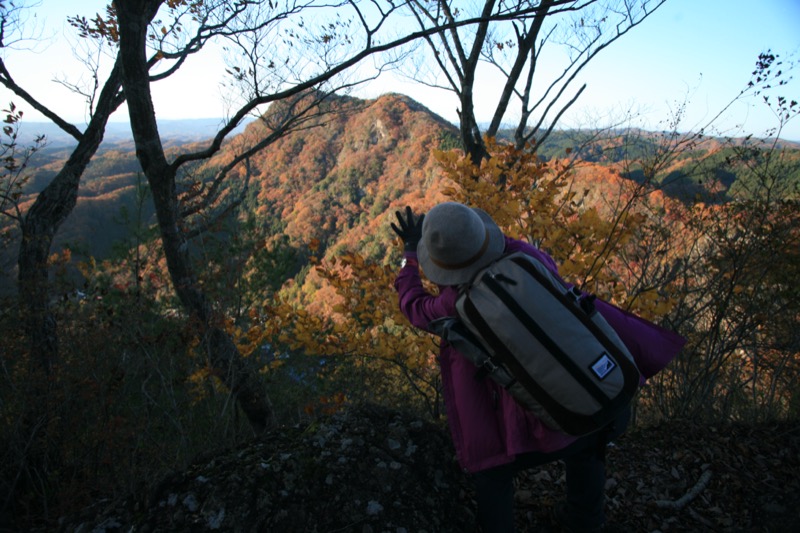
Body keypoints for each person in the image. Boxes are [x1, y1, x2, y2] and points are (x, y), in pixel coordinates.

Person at [390, 202, 686, 533]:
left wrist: (409, 256)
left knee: (492, 475)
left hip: (522, 435)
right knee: (587, 442)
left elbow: (413, 305)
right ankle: (585, 521)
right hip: (587, 403)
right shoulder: (528, 258)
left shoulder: (452, 306)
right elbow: (525, 256)